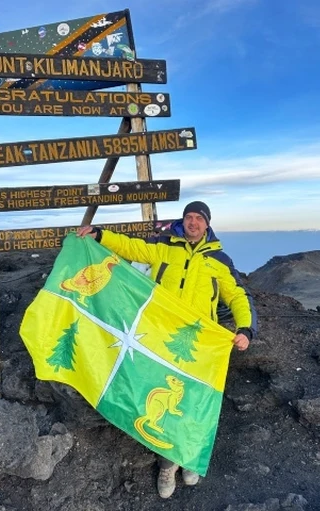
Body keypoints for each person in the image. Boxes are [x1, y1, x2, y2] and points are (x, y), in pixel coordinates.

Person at [77, 200, 257, 499]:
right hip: (159, 338)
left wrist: (246, 329)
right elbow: (131, 247)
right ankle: (167, 465)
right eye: (189, 217)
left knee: (193, 402)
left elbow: (237, 295)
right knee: (159, 398)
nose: (193, 222)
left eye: (199, 218)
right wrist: (100, 235)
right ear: (183, 221)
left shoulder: (219, 259)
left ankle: (189, 457)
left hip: (198, 344)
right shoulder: (163, 246)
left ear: (207, 224)